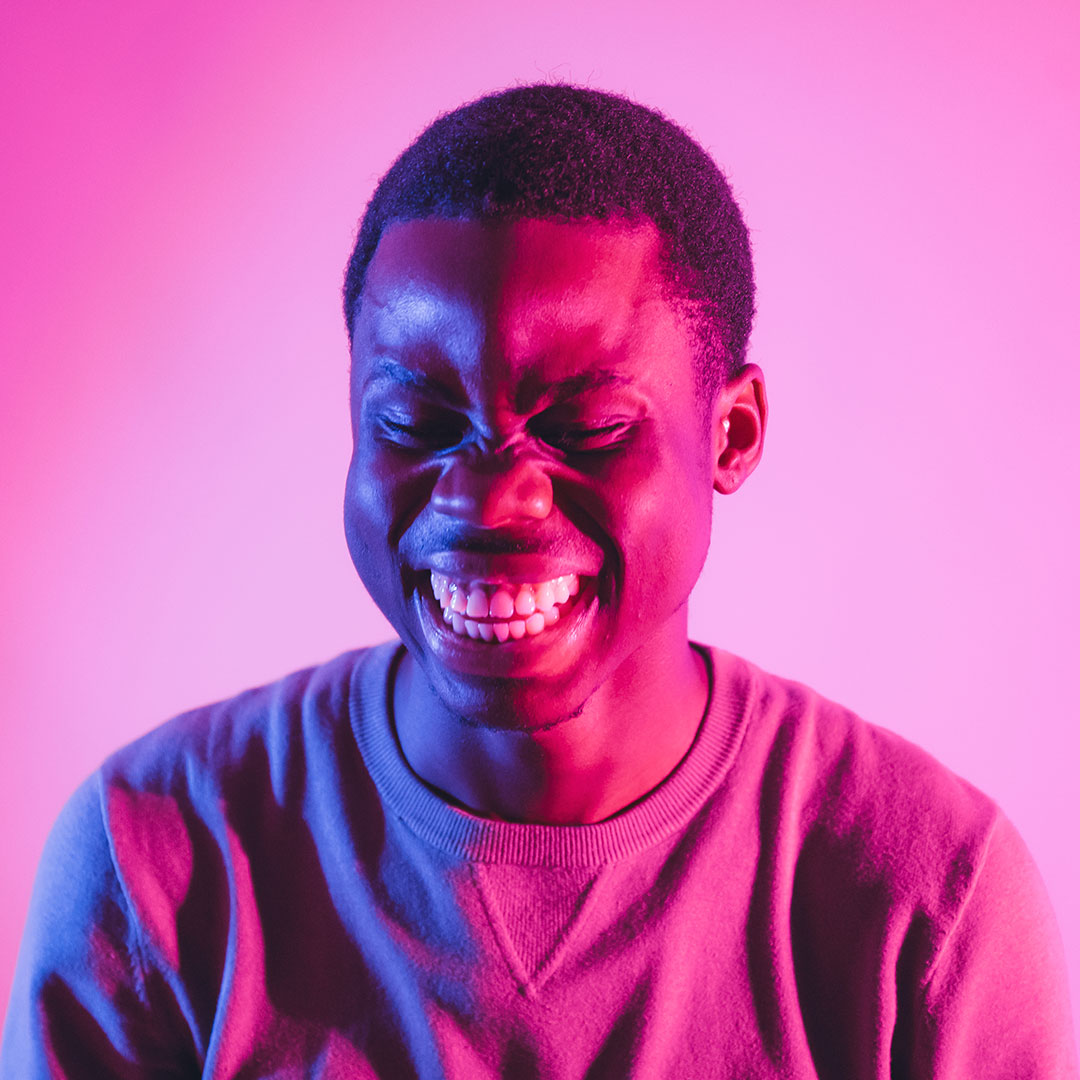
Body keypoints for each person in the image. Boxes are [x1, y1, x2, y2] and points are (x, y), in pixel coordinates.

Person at [2, 83, 1076, 1079]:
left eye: (588, 427)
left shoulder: (924, 895)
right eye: (413, 424)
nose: (488, 499)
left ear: (733, 432)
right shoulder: (158, 857)